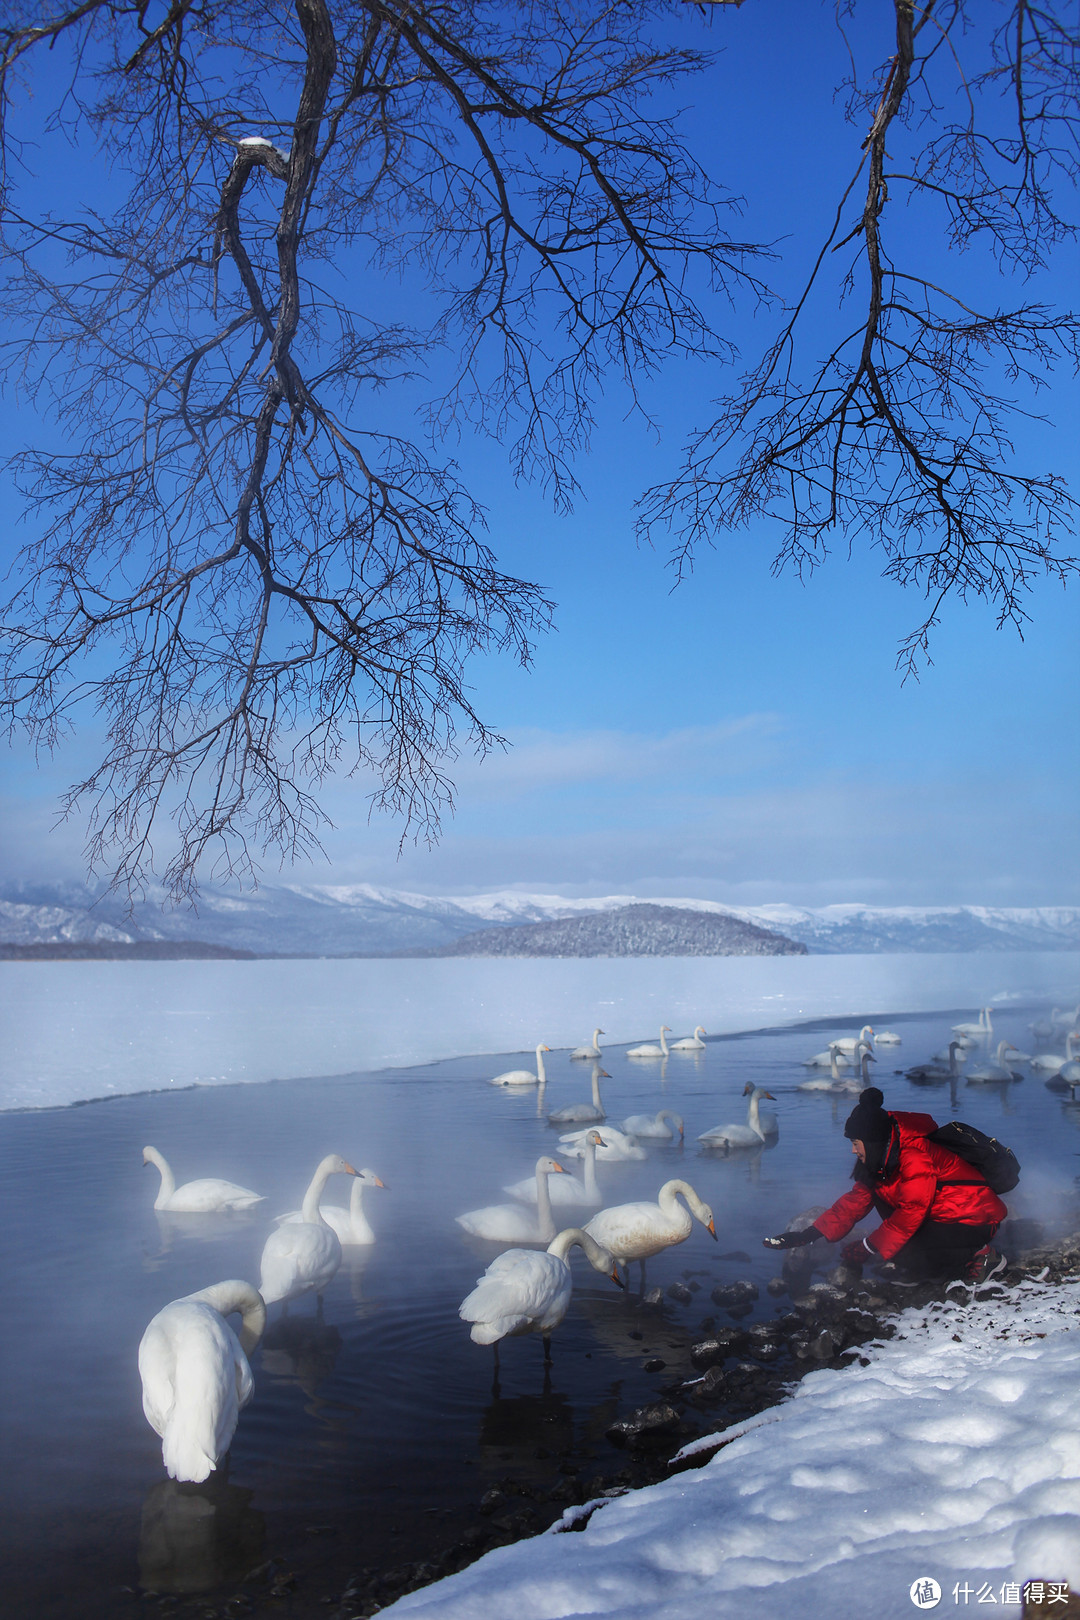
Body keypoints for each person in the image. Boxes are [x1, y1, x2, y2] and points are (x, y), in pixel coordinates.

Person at [762, 1088, 1007, 1282]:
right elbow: (854, 1204)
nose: (853, 1149)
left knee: (899, 1240)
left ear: (872, 1141)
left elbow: (913, 1210)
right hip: (943, 1218)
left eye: (856, 1143)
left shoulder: (914, 1156)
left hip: (975, 1219)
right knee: (894, 1237)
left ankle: (984, 1256)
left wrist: (870, 1245)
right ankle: (932, 1270)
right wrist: (807, 1236)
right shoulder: (882, 1162)